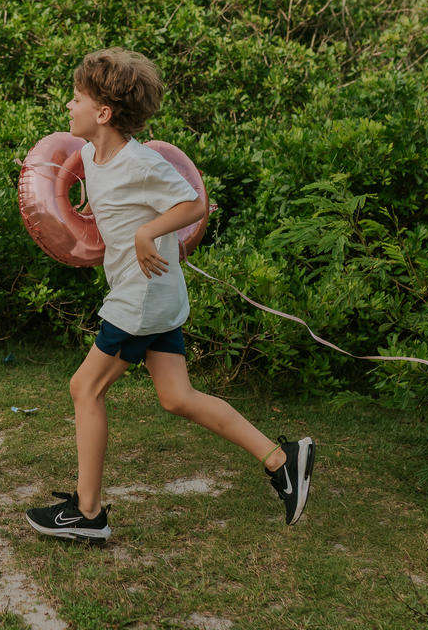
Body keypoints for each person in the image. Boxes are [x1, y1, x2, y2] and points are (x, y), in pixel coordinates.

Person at [26, 48, 315, 544]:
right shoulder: (94, 157)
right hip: (154, 295)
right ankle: (282, 460)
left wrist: (147, 234)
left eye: (75, 99)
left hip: (140, 298)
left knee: (84, 388)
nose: (66, 108)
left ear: (103, 113)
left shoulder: (140, 161)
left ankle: (89, 514)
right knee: (177, 397)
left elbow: (193, 203)